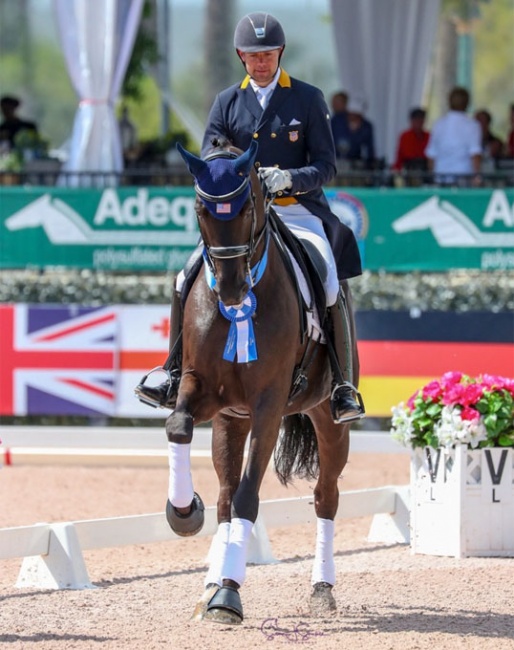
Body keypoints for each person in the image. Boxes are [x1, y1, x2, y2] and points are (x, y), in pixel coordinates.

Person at [136, 11, 364, 423]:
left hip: (296, 211)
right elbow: (209, 160)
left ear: (281, 53)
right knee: (184, 277)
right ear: (241, 55)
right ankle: (171, 374)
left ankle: (343, 384)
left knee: (330, 280)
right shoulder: (227, 102)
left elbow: (327, 166)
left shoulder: (307, 98)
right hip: (241, 220)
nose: (262, 62)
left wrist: (290, 178)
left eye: (269, 54)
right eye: (254, 55)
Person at [425, 87, 482, 185]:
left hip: (441, 177)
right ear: (467, 103)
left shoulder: (439, 124)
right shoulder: (472, 126)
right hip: (463, 177)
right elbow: (475, 154)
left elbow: (431, 155)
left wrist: (433, 176)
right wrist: (476, 176)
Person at [393, 107, 429, 172]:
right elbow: (400, 157)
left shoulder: (428, 136)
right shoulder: (405, 136)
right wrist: (396, 170)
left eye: (421, 120)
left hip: (425, 169)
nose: (419, 123)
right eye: (416, 120)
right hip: (409, 169)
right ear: (411, 121)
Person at [330, 91, 350, 158]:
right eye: (333, 102)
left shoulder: (348, 119)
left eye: (337, 102)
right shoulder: (333, 119)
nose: (333, 105)